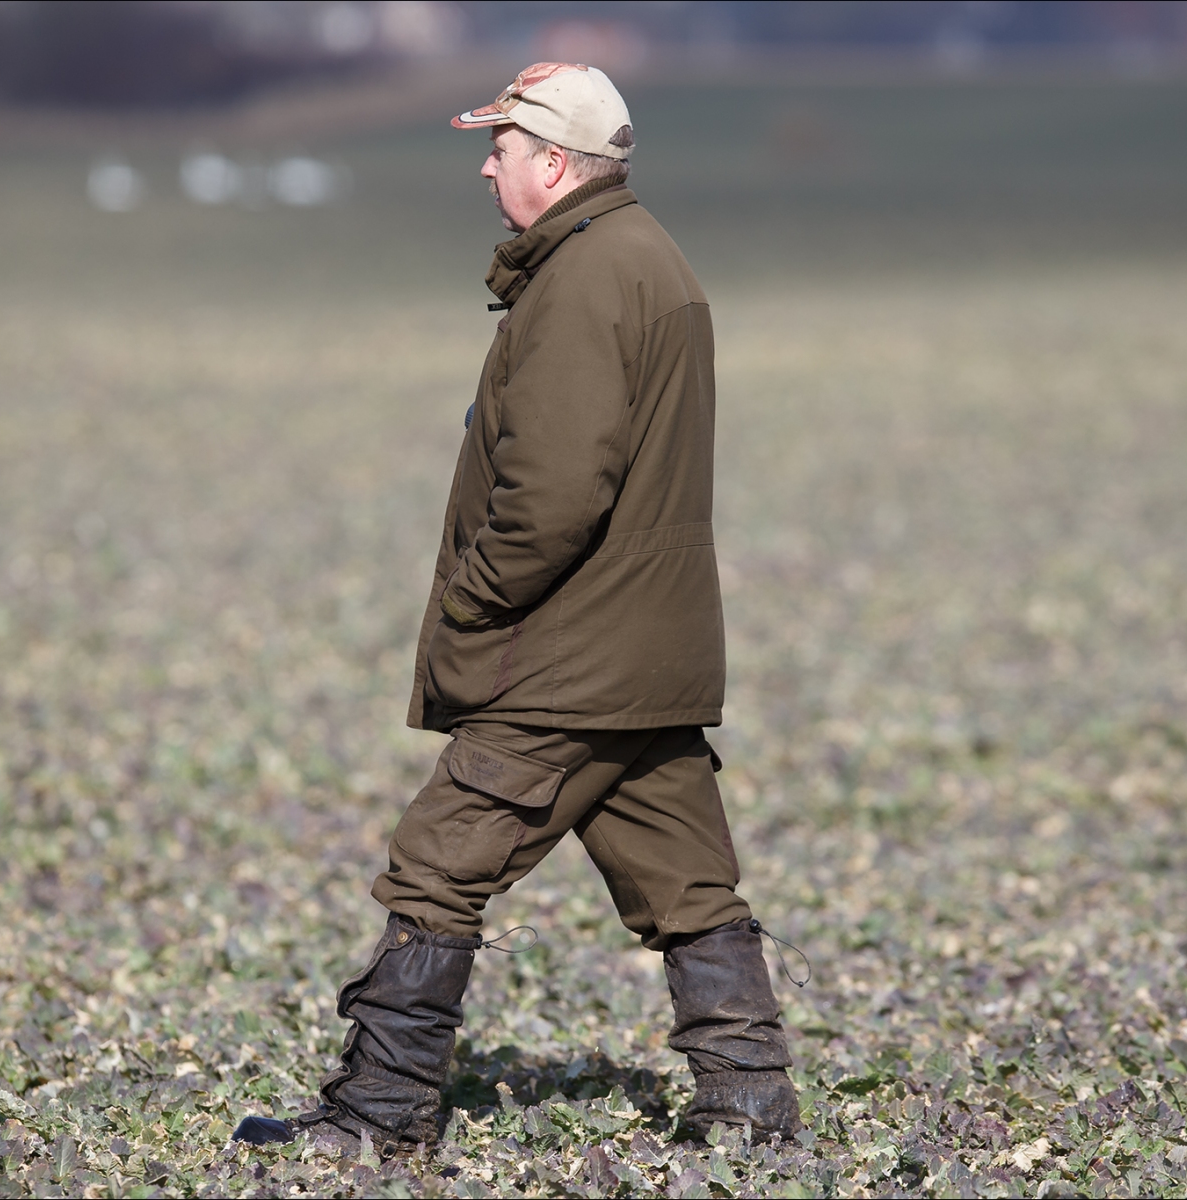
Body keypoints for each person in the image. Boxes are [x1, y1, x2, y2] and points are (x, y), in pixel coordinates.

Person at [235, 61, 802, 1158]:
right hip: (644, 649)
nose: (486, 167)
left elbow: (553, 494)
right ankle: (749, 1105)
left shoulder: (586, 279)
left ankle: (380, 1115)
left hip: (569, 655)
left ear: (554, 163)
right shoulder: (648, 257)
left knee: (437, 863)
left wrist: (474, 605)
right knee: (686, 881)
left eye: (500, 148)